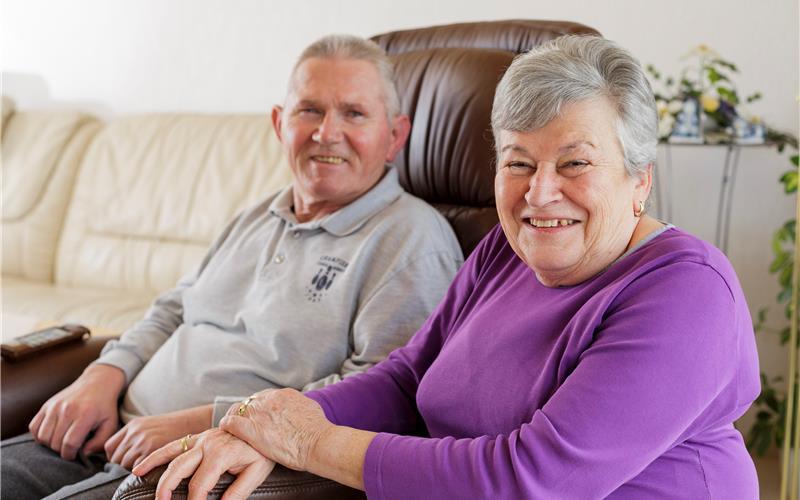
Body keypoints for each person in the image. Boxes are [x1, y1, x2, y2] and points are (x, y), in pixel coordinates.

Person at [136, 35, 761, 499]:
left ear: (639, 180)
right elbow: (406, 378)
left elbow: (533, 479)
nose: (540, 193)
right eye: (518, 162)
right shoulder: (503, 249)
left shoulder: (685, 291)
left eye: (574, 164)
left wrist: (308, 442)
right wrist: (263, 422)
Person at [0, 34, 463, 500]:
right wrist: (104, 374)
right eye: (310, 110)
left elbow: (384, 393)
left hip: (205, 460)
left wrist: (210, 421)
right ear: (280, 124)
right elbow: (172, 310)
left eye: (354, 113)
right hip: (105, 432)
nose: (327, 132)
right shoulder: (255, 216)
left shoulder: (412, 240)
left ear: (395, 137)